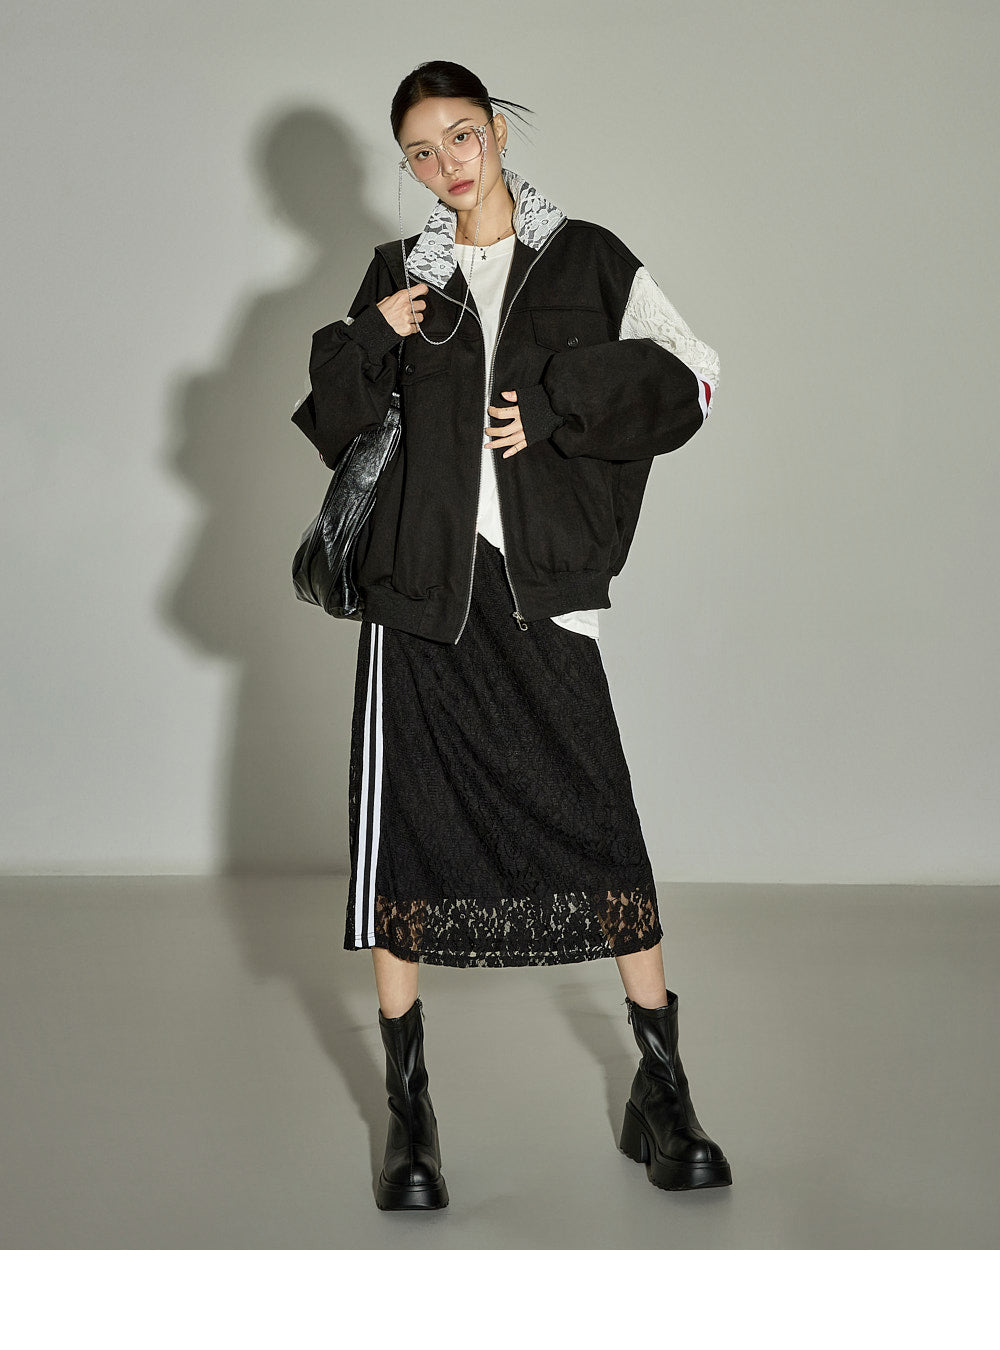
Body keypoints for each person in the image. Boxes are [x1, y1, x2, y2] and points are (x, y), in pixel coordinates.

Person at [292, 59, 732, 1210]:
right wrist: (372, 333)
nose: (444, 164)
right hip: (419, 601)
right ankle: (410, 1114)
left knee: (601, 827)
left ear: (494, 129)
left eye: (458, 135)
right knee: (405, 847)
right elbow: (332, 423)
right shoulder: (401, 272)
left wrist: (561, 402)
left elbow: (691, 380)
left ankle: (661, 1091)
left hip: (539, 589)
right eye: (419, 152)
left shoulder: (585, 259)